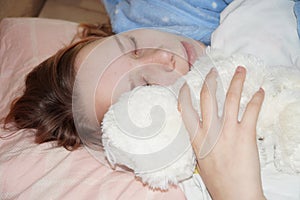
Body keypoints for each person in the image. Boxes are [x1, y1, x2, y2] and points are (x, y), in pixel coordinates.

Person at [2, 24, 266, 199]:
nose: (164, 56)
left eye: (133, 46)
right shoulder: (199, 183)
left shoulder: (240, 25)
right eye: (146, 85)